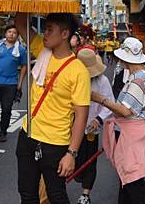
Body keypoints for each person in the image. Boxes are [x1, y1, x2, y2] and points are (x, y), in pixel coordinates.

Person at [14, 13, 91, 204]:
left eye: (50, 29)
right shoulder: (42, 49)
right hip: (28, 135)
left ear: (65, 34)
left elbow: (81, 116)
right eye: (44, 29)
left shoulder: (78, 70)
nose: (45, 33)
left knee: (56, 195)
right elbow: (20, 23)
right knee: (27, 193)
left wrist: (71, 154)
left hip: (55, 144)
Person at [91, 37, 145, 204]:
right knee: (127, 181)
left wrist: (101, 99)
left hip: (132, 137)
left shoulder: (138, 79)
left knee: (133, 182)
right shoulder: (141, 77)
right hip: (134, 135)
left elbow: (125, 110)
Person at [73, 50, 113, 204]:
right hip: (71, 126)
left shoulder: (102, 81)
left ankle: (85, 194)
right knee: (69, 157)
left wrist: (99, 119)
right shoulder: (72, 78)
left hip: (90, 128)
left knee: (89, 161)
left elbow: (110, 103)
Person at [0, 24, 28, 142]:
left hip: (11, 83)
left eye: (14, 32)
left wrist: (20, 83)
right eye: (9, 32)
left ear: (17, 35)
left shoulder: (21, 49)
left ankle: (3, 131)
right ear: (5, 34)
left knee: (6, 109)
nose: (11, 34)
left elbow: (24, 66)